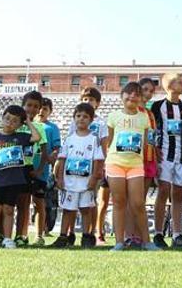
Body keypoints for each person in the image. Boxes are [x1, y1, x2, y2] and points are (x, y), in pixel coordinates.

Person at [106, 82, 159, 251]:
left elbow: (146, 143)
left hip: (136, 165)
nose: (132, 96)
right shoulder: (113, 116)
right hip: (115, 164)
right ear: (122, 96)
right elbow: (109, 140)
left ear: (140, 98)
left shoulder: (144, 118)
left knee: (138, 203)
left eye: (136, 94)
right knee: (119, 202)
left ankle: (147, 241)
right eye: (128, 93)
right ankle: (120, 242)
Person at [0, 105, 42, 249]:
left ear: (20, 125)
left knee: (9, 210)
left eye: (15, 121)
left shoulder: (21, 137)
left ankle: (8, 238)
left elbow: (37, 137)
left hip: (14, 181)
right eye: (7, 118)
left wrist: (28, 122)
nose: (9, 122)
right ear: (2, 118)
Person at [52, 103, 104, 248]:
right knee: (68, 210)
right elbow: (62, 159)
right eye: (78, 116)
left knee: (86, 209)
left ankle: (87, 236)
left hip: (86, 182)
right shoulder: (69, 139)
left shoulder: (94, 139)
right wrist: (60, 178)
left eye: (85, 117)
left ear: (91, 120)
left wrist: (94, 178)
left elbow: (97, 160)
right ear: (74, 118)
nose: (81, 119)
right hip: (70, 182)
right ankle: (63, 236)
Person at [151, 73, 182, 248]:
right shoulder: (158, 106)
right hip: (164, 156)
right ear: (169, 85)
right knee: (163, 191)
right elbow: (152, 130)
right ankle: (159, 233)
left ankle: (177, 234)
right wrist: (153, 150)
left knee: (178, 195)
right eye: (179, 81)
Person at [70, 87, 109, 246]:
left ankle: (90, 233)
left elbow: (104, 144)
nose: (88, 102)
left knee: (90, 201)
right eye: (85, 99)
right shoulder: (75, 121)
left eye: (91, 100)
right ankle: (69, 233)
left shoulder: (101, 123)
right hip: (75, 167)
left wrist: (102, 166)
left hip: (93, 167)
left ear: (97, 104)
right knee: (71, 202)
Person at [124, 77, 158, 247]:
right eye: (145, 89)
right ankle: (129, 235)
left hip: (149, 158)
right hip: (133, 159)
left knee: (141, 200)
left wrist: (156, 159)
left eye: (151, 91)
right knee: (132, 200)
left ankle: (139, 235)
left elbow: (152, 138)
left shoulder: (150, 114)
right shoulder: (131, 112)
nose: (148, 94)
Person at [14, 91, 48, 247]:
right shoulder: (14, 124)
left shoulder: (40, 127)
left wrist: (40, 169)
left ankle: (22, 235)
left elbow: (44, 150)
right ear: (23, 105)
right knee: (10, 204)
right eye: (29, 105)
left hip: (28, 169)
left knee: (25, 203)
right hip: (12, 168)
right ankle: (8, 234)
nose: (32, 109)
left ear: (40, 109)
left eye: (36, 106)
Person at [32, 97, 61, 245]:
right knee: (23, 202)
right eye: (40, 108)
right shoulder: (27, 126)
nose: (41, 111)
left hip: (41, 171)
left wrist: (51, 157)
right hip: (25, 169)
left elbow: (56, 147)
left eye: (45, 109)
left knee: (39, 202)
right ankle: (21, 234)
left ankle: (40, 234)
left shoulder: (52, 128)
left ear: (50, 111)